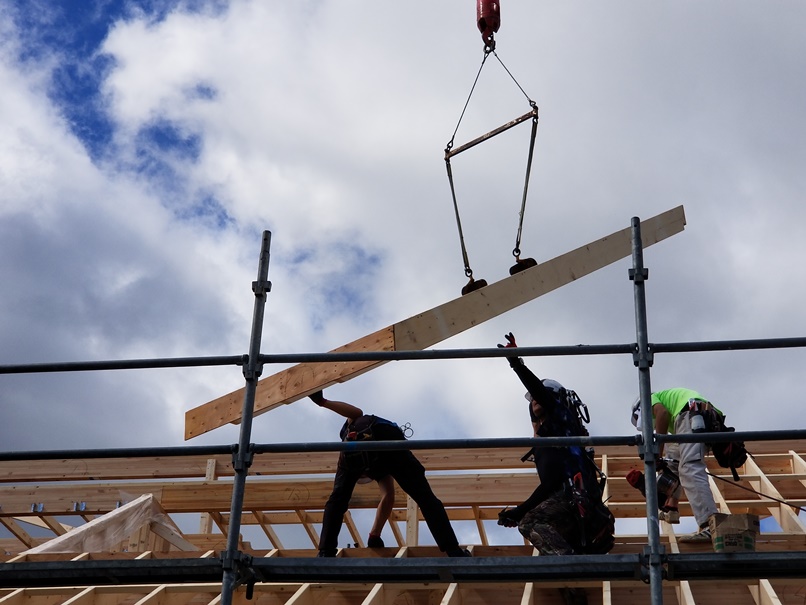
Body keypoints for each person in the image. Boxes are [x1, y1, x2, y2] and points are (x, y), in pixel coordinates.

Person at [496, 333, 615, 560]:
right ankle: (573, 587)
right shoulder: (546, 440)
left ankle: (572, 567)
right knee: (548, 558)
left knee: (530, 522)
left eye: (541, 395)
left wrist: (516, 362)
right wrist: (517, 512)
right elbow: (550, 487)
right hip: (573, 513)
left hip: (579, 505)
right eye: (532, 399)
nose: (535, 400)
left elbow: (553, 485)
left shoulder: (563, 422)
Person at [311, 390, 470, 557]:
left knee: (337, 499)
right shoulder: (374, 464)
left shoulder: (350, 434)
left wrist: (322, 402)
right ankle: (452, 550)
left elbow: (357, 413)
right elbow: (388, 497)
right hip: (388, 447)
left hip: (372, 445)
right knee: (425, 497)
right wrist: (374, 536)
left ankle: (325, 551)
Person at [630, 388, 720, 543]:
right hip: (703, 416)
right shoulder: (669, 401)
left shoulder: (649, 399)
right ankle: (672, 506)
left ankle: (710, 526)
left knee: (689, 468)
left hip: (691, 414)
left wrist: (656, 453)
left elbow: (662, 414)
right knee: (673, 457)